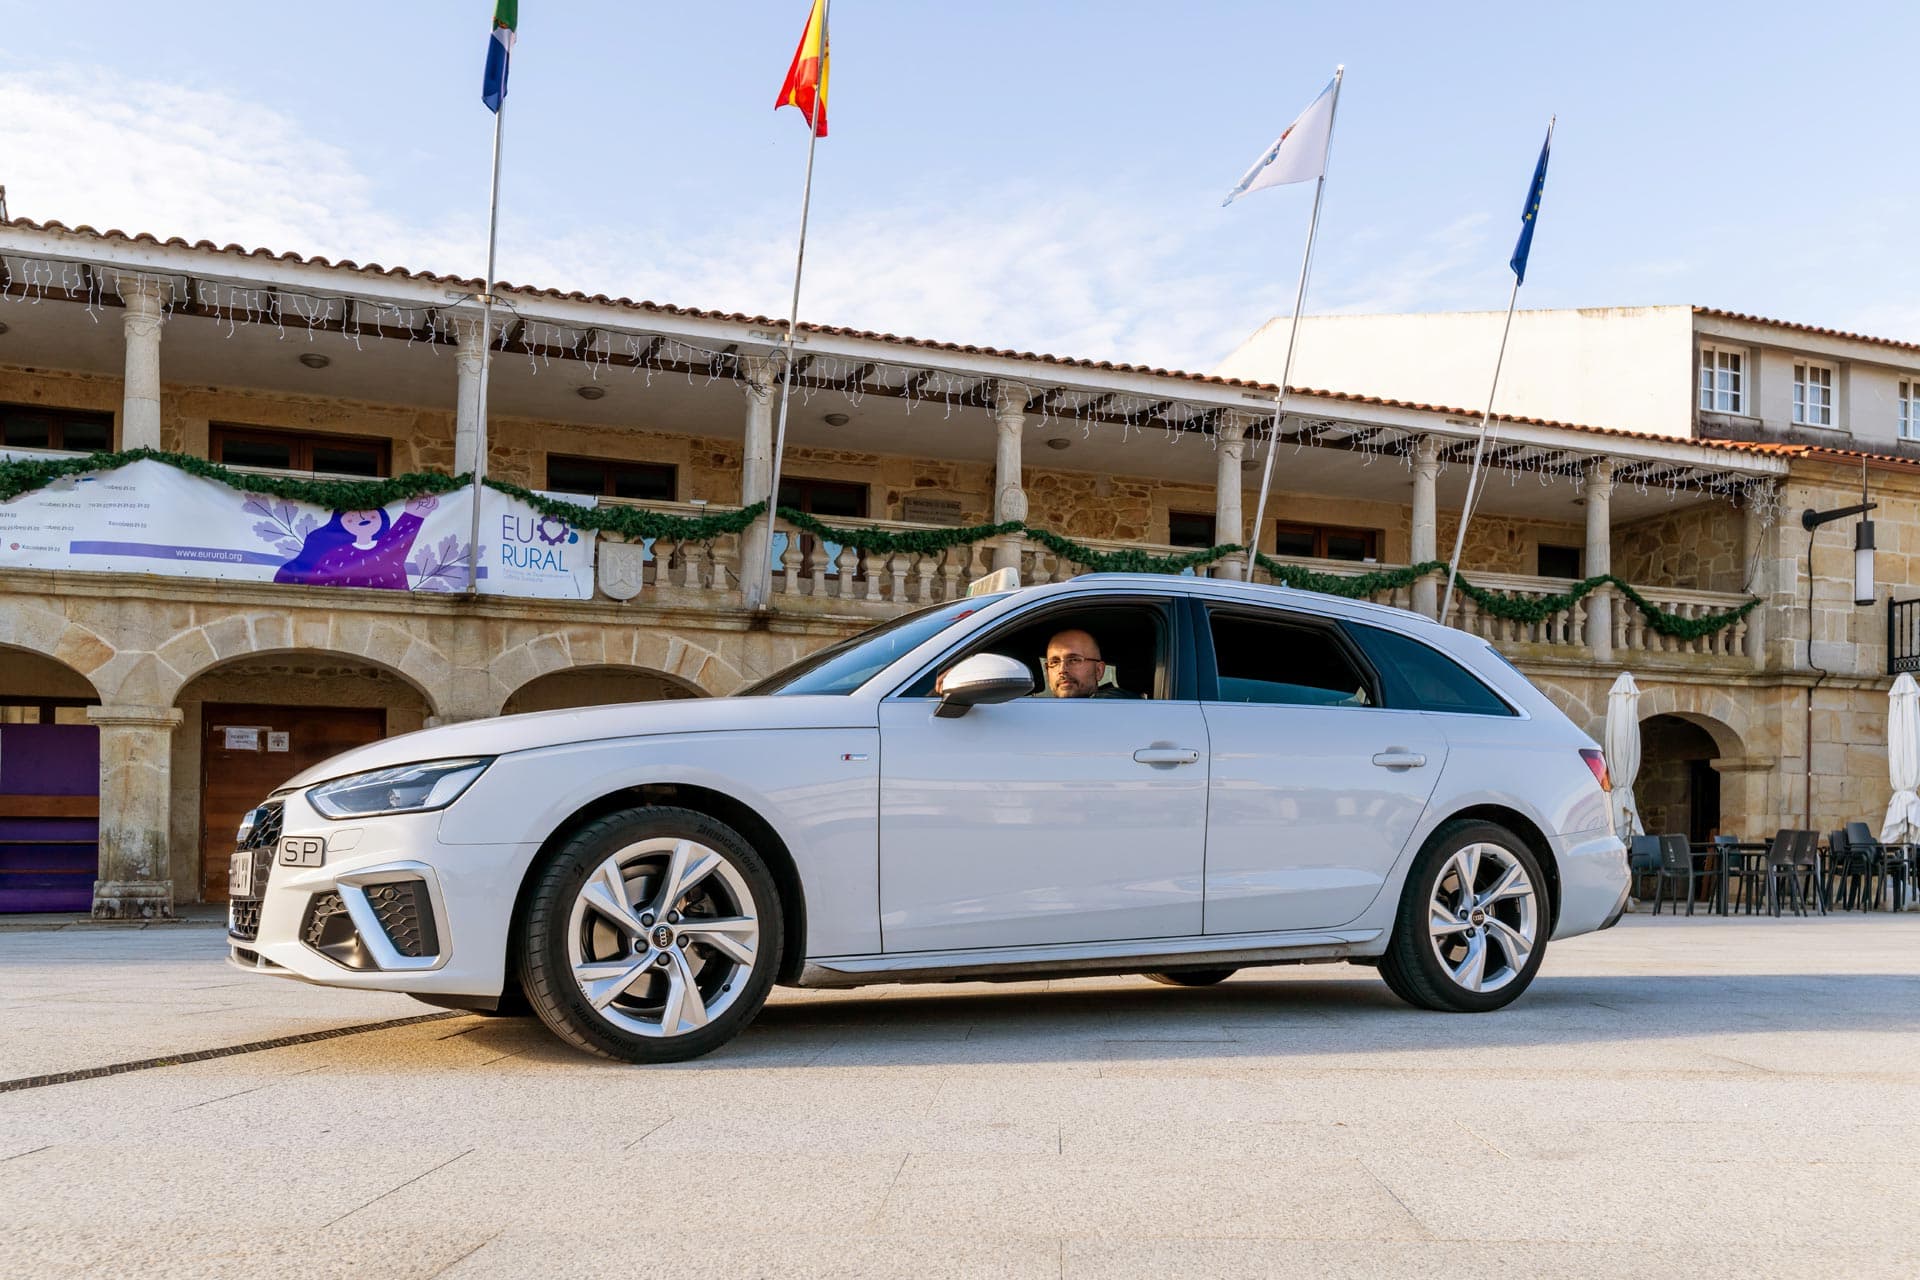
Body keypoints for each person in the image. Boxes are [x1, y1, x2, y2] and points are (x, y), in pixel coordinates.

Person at [1041, 627, 1142, 699]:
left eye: (1074, 660)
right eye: (1054, 662)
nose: (1062, 670)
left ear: (1099, 671)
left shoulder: (1114, 706)